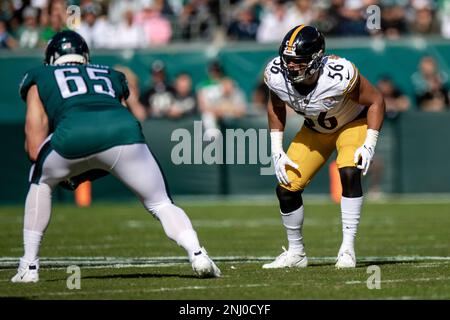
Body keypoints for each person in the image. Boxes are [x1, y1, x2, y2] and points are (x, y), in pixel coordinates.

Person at [11, 30, 221, 283]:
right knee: (161, 203)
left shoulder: (40, 75)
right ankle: (197, 254)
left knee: (40, 180)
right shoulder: (109, 73)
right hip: (125, 135)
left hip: (72, 133)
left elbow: (35, 144)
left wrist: (64, 170)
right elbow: (120, 118)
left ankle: (29, 266)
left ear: (52, 57)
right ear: (84, 56)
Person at [263, 25, 385, 269]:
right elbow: (276, 105)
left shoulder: (339, 75)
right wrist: (276, 149)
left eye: (297, 61)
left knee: (349, 171)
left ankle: (347, 249)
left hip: (351, 124)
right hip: (315, 131)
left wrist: (369, 143)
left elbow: (376, 101)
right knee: (286, 188)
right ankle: (296, 253)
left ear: (316, 59)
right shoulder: (276, 74)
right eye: (287, 60)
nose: (290, 66)